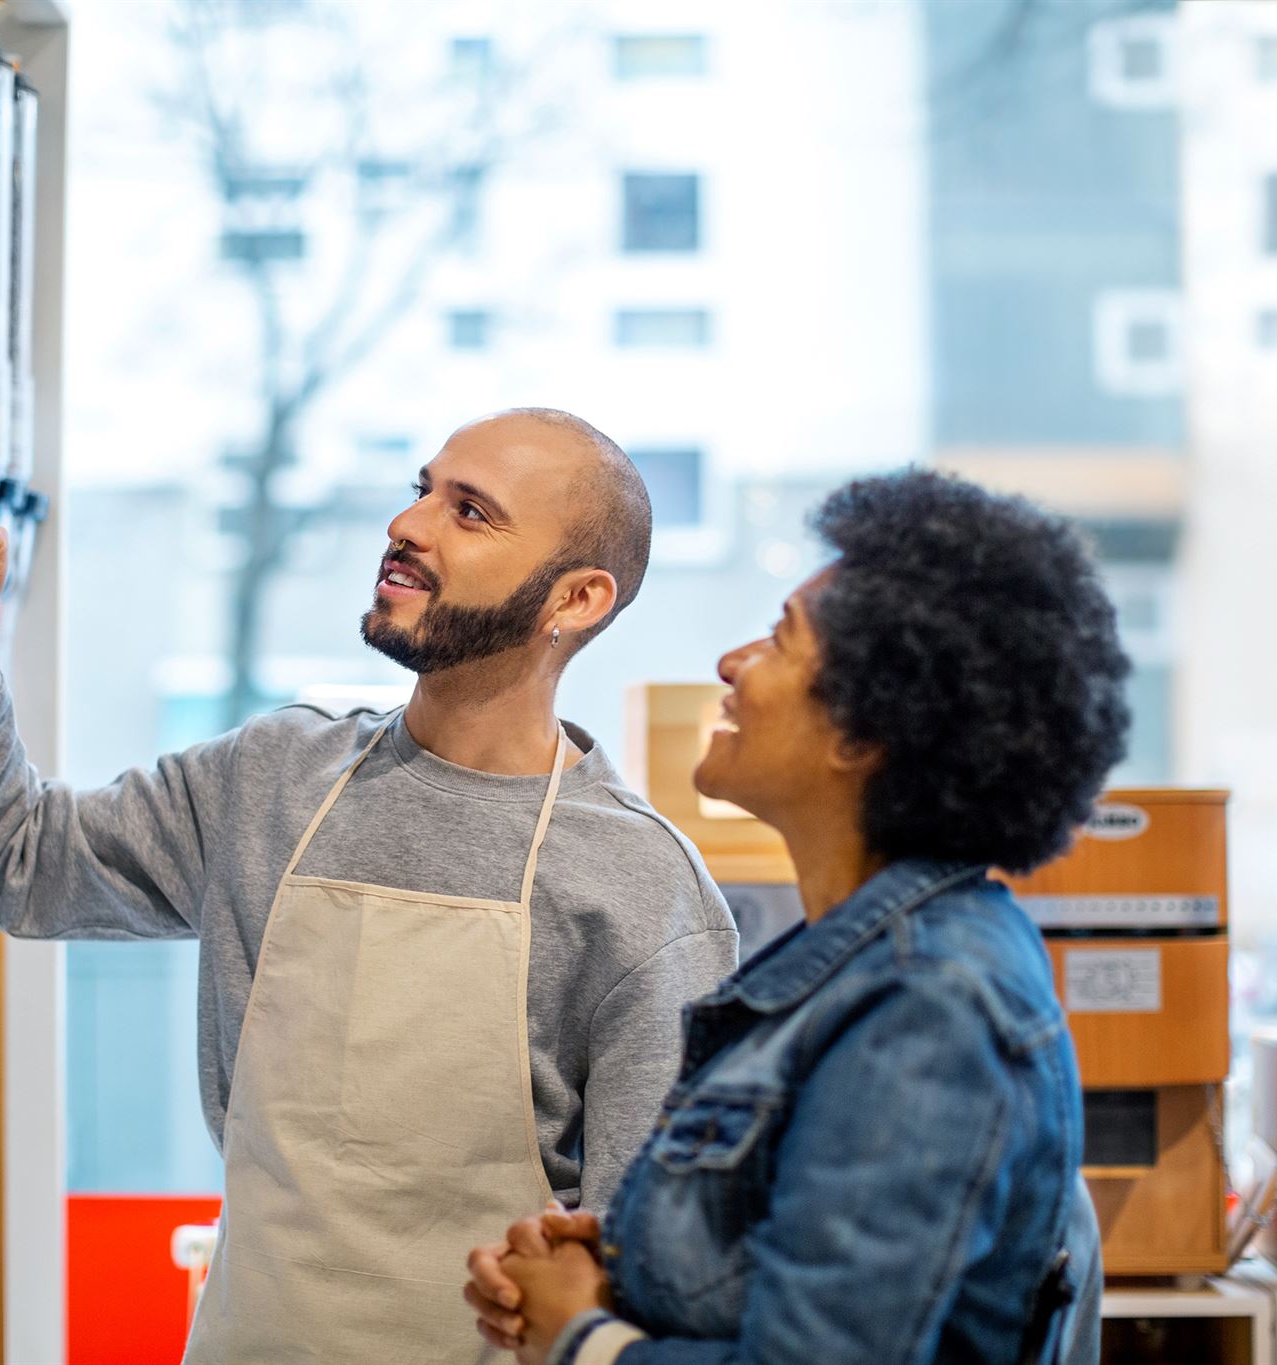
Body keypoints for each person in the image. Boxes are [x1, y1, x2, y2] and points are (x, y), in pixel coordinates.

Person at [0, 408, 738, 1361]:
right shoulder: (273, 779)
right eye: (422, 490)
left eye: (470, 512)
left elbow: (648, 1272)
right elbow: (8, 861)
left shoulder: (640, 885)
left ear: (578, 598)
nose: (409, 525)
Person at [465, 469, 1122, 1365]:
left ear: (864, 732)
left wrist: (586, 1339)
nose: (732, 663)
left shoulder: (928, 1001)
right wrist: (619, 1273)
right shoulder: (857, 969)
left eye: (780, 639)